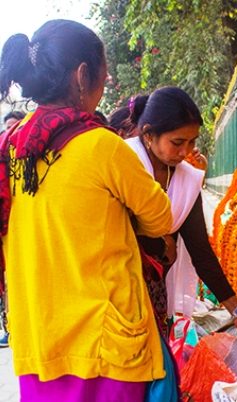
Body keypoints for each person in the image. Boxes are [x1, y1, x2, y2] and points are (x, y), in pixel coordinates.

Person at [0, 20, 174, 401]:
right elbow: (162, 216)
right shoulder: (102, 146)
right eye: (104, 73)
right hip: (104, 346)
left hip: (39, 342)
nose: (105, 82)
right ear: (82, 76)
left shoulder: (11, 147)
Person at [125, 86, 237, 345]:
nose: (186, 152)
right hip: (117, 288)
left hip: (155, 288)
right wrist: (160, 241)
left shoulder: (186, 178)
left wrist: (236, 308)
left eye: (192, 141)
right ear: (149, 135)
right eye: (177, 142)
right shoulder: (123, 162)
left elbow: (200, 249)